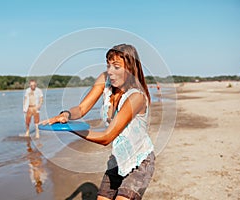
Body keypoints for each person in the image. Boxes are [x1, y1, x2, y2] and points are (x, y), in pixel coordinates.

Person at [40, 44, 155, 200]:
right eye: (108, 65)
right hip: (118, 159)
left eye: (116, 67)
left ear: (130, 68)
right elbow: (81, 108)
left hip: (140, 161)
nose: (110, 71)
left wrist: (69, 128)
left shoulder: (136, 97)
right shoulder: (105, 80)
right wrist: (65, 115)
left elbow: (106, 137)